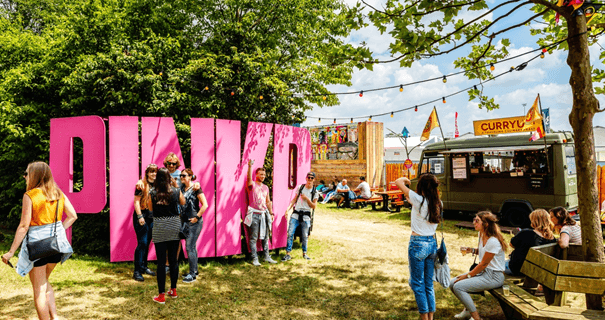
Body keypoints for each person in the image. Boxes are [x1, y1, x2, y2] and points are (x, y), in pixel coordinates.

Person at [2, 162, 78, 320]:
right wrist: (58, 231)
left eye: (27, 173)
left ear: (35, 175)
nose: (25, 177)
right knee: (44, 283)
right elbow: (72, 216)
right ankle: (55, 317)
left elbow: (23, 226)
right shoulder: (57, 193)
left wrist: (11, 252)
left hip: (38, 248)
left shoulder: (30, 196)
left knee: (39, 289)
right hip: (56, 246)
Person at [395, 174, 441, 320]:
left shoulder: (419, 199)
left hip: (418, 243)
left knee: (417, 283)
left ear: (421, 186)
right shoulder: (438, 203)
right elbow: (414, 202)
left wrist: (407, 180)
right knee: (428, 283)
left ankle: (424, 318)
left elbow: (398, 182)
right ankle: (430, 317)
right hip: (432, 244)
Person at [450, 211, 507, 320]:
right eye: (474, 220)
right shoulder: (481, 234)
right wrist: (471, 250)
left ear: (485, 224)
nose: (474, 222)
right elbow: (483, 252)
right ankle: (467, 311)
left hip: (494, 276)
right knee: (452, 283)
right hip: (484, 272)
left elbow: (483, 263)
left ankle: (476, 318)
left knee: (458, 286)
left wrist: (467, 276)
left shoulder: (493, 241)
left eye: (477, 221)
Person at [150, 168, 186, 304]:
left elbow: (150, 209)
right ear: (169, 178)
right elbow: (183, 202)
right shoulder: (176, 191)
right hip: (174, 227)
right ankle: (174, 290)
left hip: (159, 227)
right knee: (173, 260)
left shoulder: (152, 193)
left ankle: (161, 295)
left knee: (160, 262)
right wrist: (176, 187)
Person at [244, 160, 277, 266]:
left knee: (266, 237)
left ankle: (266, 256)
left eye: (264, 174)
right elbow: (249, 180)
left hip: (264, 214)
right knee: (253, 237)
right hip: (254, 214)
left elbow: (268, 201)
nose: (263, 176)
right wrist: (250, 166)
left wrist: (271, 213)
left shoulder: (266, 187)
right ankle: (255, 258)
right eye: (261, 174)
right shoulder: (252, 184)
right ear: (256, 174)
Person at [506, 209, 556, 276]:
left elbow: (511, 244)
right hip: (539, 272)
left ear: (534, 221)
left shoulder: (526, 233)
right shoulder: (552, 239)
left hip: (518, 270)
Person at [282, 172, 319, 261]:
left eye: (311, 178)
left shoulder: (315, 192)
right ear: (306, 178)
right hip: (296, 213)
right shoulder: (300, 187)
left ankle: (304, 253)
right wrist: (288, 209)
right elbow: (294, 199)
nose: (310, 179)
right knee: (290, 233)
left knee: (305, 235)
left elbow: (314, 206)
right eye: (308, 177)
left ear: (314, 179)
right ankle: (288, 253)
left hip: (306, 215)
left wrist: (307, 199)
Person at [180, 168, 208, 283]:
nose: (182, 177)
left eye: (184, 175)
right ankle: (194, 271)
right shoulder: (182, 188)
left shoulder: (196, 188)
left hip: (194, 222)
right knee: (192, 247)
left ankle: (192, 275)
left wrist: (197, 217)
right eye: (181, 176)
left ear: (190, 177)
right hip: (185, 221)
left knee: (189, 247)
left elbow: (205, 205)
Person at [132, 164, 158, 282]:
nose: (154, 174)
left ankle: (144, 266)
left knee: (147, 243)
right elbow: (136, 202)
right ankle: (137, 271)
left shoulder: (158, 185)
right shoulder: (141, 185)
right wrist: (140, 216)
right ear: (147, 173)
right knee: (142, 243)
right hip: (142, 216)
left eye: (155, 172)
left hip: (152, 218)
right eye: (151, 172)